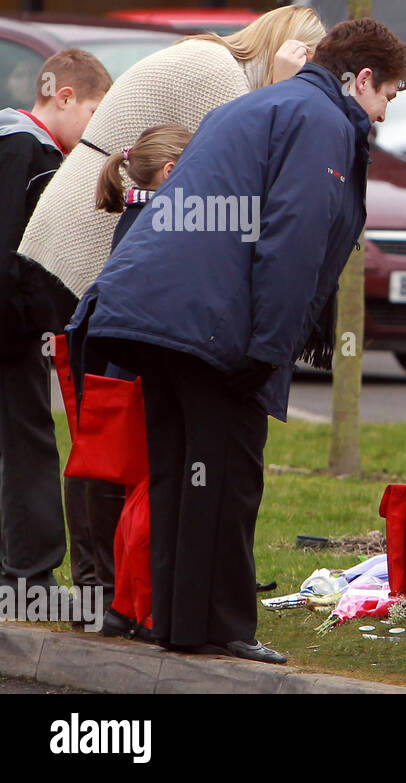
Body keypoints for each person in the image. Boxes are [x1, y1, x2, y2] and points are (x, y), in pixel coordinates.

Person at [67, 18, 406, 664]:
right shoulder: (324, 121)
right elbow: (294, 237)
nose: (385, 114)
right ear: (361, 79)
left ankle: (177, 621)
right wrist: (269, 348)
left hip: (149, 309)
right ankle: (222, 624)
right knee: (227, 472)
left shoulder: (257, 105)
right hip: (210, 325)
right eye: (388, 94)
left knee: (179, 471)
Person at [20, 3, 325, 609]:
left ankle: (119, 581)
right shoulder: (218, 72)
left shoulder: (213, 61)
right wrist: (289, 90)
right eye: (307, 58)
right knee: (104, 421)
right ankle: (100, 587)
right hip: (89, 243)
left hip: (103, 238)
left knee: (111, 417)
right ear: (286, 46)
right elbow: (248, 161)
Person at [0, 48, 111, 592]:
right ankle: (29, 572)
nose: (95, 129)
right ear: (64, 96)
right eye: (94, 113)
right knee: (28, 442)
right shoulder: (30, 150)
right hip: (11, 329)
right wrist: (32, 322)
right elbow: (19, 253)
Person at [88, 123, 192, 639]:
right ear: (173, 172)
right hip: (146, 378)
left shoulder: (133, 213)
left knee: (133, 491)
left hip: (123, 375)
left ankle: (122, 604)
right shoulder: (162, 221)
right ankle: (140, 607)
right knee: (152, 492)